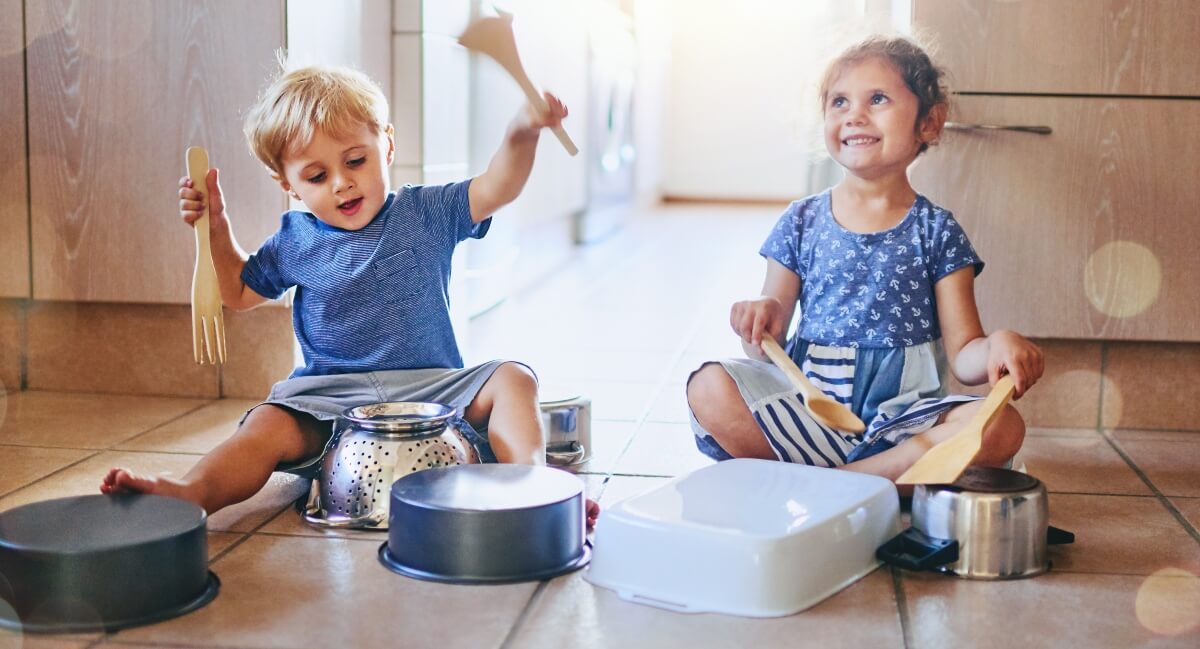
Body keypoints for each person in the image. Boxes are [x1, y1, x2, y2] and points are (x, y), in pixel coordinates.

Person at [102, 63, 598, 526]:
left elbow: (498, 186)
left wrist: (522, 131)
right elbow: (237, 292)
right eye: (317, 176)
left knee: (513, 378)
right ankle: (193, 493)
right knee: (266, 425)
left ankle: (532, 485)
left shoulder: (427, 211)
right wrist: (216, 225)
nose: (342, 184)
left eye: (355, 160)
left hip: (433, 392)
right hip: (332, 402)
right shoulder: (295, 240)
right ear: (288, 185)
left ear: (386, 145)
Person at [686, 36, 1044, 484]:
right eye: (839, 101)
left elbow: (965, 357)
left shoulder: (937, 232)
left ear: (929, 123)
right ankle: (871, 482)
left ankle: (830, 482)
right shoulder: (800, 221)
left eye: (877, 99)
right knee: (709, 386)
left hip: (907, 423)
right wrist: (760, 320)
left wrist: (998, 346)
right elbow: (763, 348)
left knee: (1002, 426)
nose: (854, 114)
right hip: (812, 412)